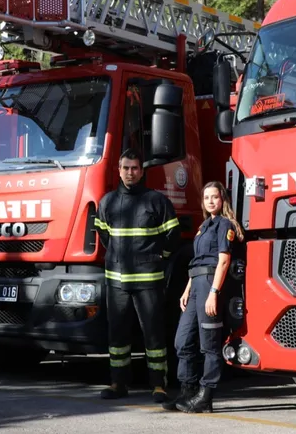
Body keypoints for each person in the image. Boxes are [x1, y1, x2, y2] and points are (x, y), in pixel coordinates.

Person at [96, 149, 180, 402]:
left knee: (153, 333)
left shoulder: (156, 201)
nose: (130, 172)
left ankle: (158, 386)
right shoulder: (107, 202)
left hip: (148, 281)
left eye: (134, 168)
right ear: (118, 171)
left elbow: (172, 236)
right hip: (117, 282)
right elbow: (104, 237)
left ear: (141, 172)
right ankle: (117, 384)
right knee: (117, 336)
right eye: (126, 168)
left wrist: (159, 258)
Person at [166, 181, 242, 413]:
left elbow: (223, 261)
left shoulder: (224, 224)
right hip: (196, 283)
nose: (210, 201)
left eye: (215, 197)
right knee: (182, 341)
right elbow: (197, 260)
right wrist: (187, 289)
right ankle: (188, 391)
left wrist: (214, 293)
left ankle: (205, 396)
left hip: (210, 284)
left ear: (223, 200)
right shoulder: (203, 226)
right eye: (207, 197)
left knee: (209, 346)